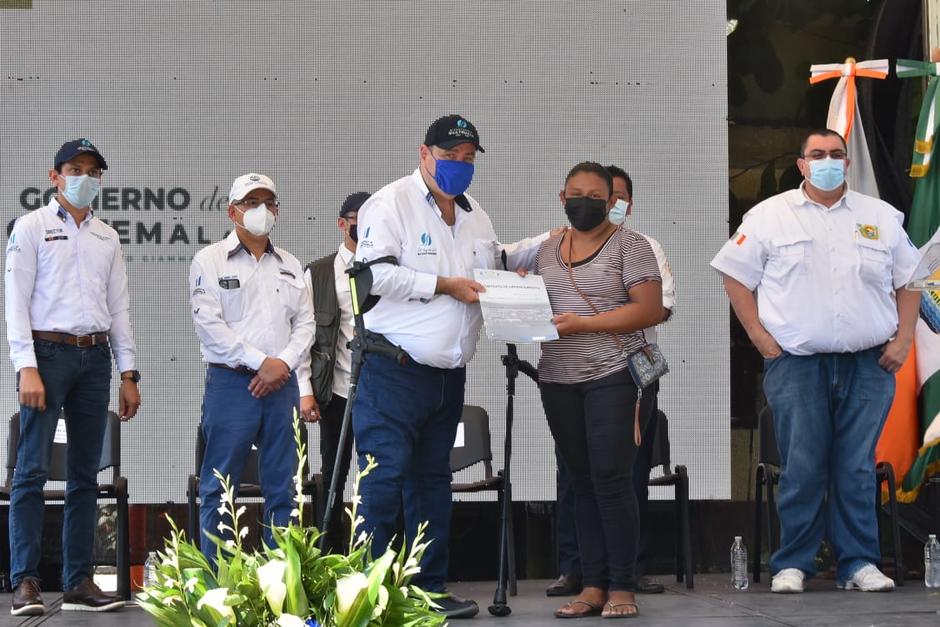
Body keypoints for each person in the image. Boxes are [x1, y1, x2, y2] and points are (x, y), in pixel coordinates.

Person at [352, 114, 547, 619]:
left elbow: (487, 266)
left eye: (468, 159)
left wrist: (516, 268)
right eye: (449, 157)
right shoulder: (390, 203)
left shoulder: (476, 214)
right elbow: (374, 277)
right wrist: (444, 285)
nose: (459, 166)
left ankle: (427, 589)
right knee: (384, 482)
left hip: (447, 377)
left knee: (432, 484)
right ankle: (371, 595)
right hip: (393, 370)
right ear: (424, 153)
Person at [710, 129, 921, 593]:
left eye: (836, 155)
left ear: (848, 164)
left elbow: (911, 280)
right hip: (797, 362)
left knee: (857, 467)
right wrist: (759, 337)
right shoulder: (769, 216)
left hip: (869, 363)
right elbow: (734, 275)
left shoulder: (880, 216)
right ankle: (794, 563)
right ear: (802, 164)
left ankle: (858, 563)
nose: (827, 161)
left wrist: (905, 338)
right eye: (817, 155)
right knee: (803, 465)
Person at [4, 139, 140, 615]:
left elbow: (118, 308)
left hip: (95, 357)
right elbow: (15, 302)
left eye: (93, 171)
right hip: (46, 354)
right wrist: (26, 366)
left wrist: (128, 372)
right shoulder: (31, 227)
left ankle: (79, 579)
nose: (85, 177)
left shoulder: (107, 236)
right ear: (54, 175)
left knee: (86, 473)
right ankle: (25, 582)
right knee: (33, 471)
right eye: (75, 168)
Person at [537, 162, 662, 619]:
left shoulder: (633, 246)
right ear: (561, 197)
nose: (583, 202)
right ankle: (591, 586)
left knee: (611, 479)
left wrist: (584, 325)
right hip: (557, 379)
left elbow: (648, 309)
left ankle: (623, 587)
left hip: (614, 374)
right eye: (575, 193)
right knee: (581, 481)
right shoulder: (547, 252)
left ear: (612, 201)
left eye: (594, 195)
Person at [189, 173, 315, 560]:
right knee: (220, 485)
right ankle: (218, 583)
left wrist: (282, 364)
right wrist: (263, 363)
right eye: (252, 202)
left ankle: (281, 581)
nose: (262, 210)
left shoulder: (292, 264)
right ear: (232, 211)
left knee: (285, 486)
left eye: (269, 202)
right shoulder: (208, 260)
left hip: (283, 388)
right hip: (232, 385)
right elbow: (210, 327)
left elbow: (306, 323)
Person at [297, 191, 370, 554]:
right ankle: (329, 555)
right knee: (334, 474)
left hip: (380, 391)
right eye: (356, 218)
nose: (362, 225)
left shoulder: (389, 266)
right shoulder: (319, 272)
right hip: (337, 390)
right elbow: (303, 336)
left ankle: (377, 559)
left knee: (377, 477)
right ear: (342, 223)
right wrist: (305, 390)